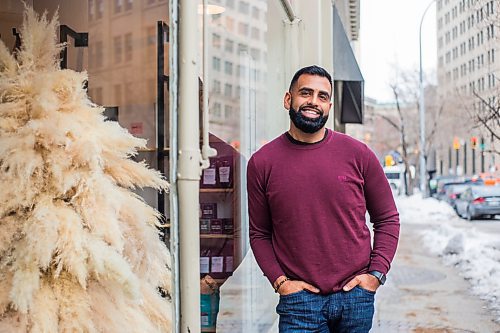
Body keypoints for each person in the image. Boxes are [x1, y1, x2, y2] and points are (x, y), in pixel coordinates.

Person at [247, 65, 400, 332]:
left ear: (329, 105)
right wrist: (281, 282)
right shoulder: (262, 163)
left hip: (355, 297)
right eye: (305, 93)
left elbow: (387, 219)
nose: (313, 102)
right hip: (299, 304)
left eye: (322, 96)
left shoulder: (359, 154)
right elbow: (259, 233)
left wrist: (376, 274)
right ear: (288, 99)